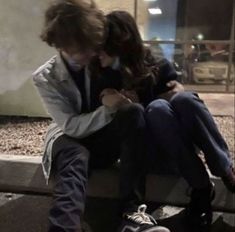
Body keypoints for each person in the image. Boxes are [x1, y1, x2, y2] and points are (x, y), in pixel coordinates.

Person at [33, 1, 170, 232]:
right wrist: (107, 108)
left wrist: (168, 89)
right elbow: (71, 126)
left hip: (101, 138)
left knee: (132, 112)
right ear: (62, 45)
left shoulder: (98, 59)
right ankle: (64, 227)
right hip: (68, 136)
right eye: (83, 49)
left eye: (93, 46)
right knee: (76, 154)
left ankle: (132, 214)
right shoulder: (46, 78)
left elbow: (140, 60)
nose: (93, 53)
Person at [95, 10, 235, 232]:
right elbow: (113, 108)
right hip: (150, 154)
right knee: (158, 106)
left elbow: (178, 98)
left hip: (176, 146)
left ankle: (224, 169)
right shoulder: (104, 76)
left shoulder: (157, 65)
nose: (97, 50)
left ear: (119, 42)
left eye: (103, 43)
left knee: (184, 100)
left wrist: (158, 97)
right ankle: (208, 182)